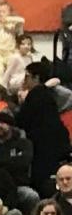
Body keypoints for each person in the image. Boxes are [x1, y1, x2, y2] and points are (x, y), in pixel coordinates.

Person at [16, 62, 70, 198]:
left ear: (36, 77)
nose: (24, 80)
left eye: (27, 76)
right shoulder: (47, 95)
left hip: (43, 148)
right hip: (53, 145)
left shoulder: (36, 95)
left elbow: (21, 120)